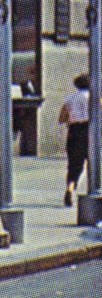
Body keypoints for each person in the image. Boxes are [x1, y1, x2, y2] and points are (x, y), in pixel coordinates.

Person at [58, 74, 89, 207]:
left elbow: (61, 119)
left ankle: (70, 188)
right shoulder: (95, 99)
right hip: (90, 130)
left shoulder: (69, 99)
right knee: (94, 162)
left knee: (74, 164)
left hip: (74, 131)